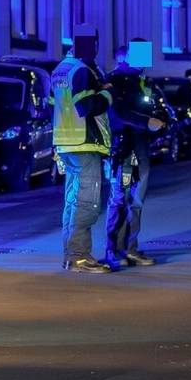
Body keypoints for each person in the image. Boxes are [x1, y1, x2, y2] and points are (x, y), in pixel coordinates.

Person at [51, 24, 115, 273]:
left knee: (72, 201)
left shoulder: (60, 69)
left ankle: (70, 255)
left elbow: (51, 107)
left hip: (65, 145)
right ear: (92, 44)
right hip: (84, 143)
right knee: (87, 202)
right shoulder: (81, 71)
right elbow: (86, 107)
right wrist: (107, 94)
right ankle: (79, 256)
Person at [104, 52, 172, 267]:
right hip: (123, 148)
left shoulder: (143, 81)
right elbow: (119, 114)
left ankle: (130, 248)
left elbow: (156, 107)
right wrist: (147, 122)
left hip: (140, 145)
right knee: (120, 198)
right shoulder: (114, 80)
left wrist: (161, 120)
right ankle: (115, 251)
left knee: (137, 200)